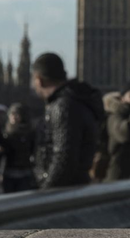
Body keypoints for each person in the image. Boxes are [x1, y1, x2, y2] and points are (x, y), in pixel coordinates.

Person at [31, 53, 105, 189]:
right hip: (76, 186)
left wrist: (45, 193)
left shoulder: (62, 106)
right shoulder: (77, 100)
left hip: (62, 191)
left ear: (39, 79)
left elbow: (64, 158)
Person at [0, 103, 37, 193]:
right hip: (8, 172)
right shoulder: (5, 132)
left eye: (17, 114)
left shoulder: (29, 132)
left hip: (24, 171)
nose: (14, 117)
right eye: (12, 114)